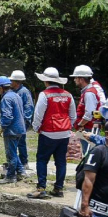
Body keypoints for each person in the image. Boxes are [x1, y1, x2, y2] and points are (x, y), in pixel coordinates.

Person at [28, 67, 77, 199]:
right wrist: (68, 127)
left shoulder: (45, 95)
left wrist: (36, 127)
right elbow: (73, 115)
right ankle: (58, 188)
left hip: (48, 133)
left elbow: (38, 114)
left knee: (42, 160)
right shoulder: (68, 95)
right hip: (64, 133)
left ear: (46, 81)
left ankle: (41, 188)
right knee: (61, 161)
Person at [0, 76, 27, 184]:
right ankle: (21, 171)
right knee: (14, 151)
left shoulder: (6, 98)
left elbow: (7, 117)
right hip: (20, 129)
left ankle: (10, 176)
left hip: (11, 130)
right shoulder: (16, 95)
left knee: (10, 154)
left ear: (1, 87)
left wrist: (1, 128)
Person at [70, 65, 104, 154]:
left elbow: (89, 114)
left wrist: (80, 124)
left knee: (90, 153)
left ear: (81, 79)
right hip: (88, 127)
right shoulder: (87, 91)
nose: (74, 80)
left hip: (89, 128)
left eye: (76, 78)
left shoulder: (89, 93)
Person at [10, 70, 34, 167]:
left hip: (22, 121)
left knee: (21, 142)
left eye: (12, 80)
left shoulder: (24, 92)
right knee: (15, 141)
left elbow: (29, 107)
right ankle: (17, 161)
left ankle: (24, 162)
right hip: (16, 121)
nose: (10, 82)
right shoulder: (14, 91)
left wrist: (24, 120)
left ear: (17, 82)